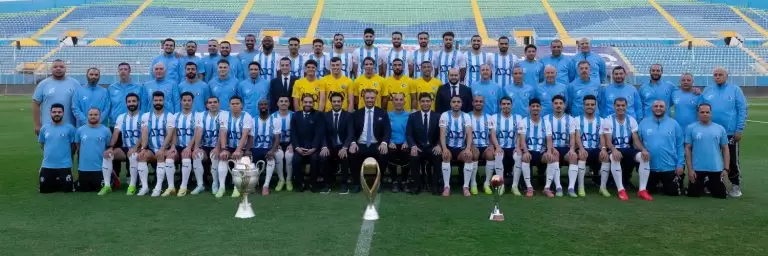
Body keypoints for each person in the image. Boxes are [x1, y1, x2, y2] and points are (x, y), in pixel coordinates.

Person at [698, 67, 746, 197]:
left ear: (726, 76)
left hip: (729, 132)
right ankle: (710, 184)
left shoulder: (735, 90)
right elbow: (700, 107)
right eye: (715, 75)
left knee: (731, 160)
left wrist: (739, 129)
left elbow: (742, 109)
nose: (717, 77)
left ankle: (735, 185)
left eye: (720, 74)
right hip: (710, 131)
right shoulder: (708, 90)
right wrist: (697, 94)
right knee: (711, 157)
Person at [601, 98, 652, 201]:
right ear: (614, 106)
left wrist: (643, 149)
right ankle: (621, 189)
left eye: (623, 105)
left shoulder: (631, 120)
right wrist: (614, 150)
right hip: (614, 149)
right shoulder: (608, 120)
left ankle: (642, 190)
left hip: (628, 149)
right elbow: (608, 141)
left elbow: (636, 140)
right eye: (618, 105)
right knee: (615, 157)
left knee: (644, 157)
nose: (621, 107)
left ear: (626, 106)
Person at [348, 89, 391, 193]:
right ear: (363, 99)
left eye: (372, 98)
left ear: (375, 98)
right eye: (367, 98)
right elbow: (351, 130)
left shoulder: (383, 113)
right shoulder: (356, 114)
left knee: (384, 153)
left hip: (376, 144)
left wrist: (384, 143)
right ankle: (356, 184)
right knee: (352, 153)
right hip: (360, 144)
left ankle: (378, 182)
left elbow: (387, 130)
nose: (370, 100)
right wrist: (353, 142)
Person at [639, 100, 684, 196]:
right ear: (652, 108)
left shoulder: (674, 124)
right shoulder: (643, 123)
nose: (658, 108)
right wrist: (643, 150)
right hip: (650, 167)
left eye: (661, 106)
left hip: (669, 167)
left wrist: (680, 164)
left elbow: (680, 145)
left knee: (673, 193)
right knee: (649, 191)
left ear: (666, 108)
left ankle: (670, 181)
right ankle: (657, 183)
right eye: (656, 106)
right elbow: (637, 142)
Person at [685, 103, 730, 199]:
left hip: (715, 168)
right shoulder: (690, 128)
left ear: (711, 113)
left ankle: (708, 182)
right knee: (693, 195)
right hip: (697, 168)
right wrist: (690, 169)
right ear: (698, 113)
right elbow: (688, 148)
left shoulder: (720, 128)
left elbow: (725, 148)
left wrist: (726, 169)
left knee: (721, 196)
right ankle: (702, 183)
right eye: (702, 112)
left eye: (707, 112)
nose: (705, 114)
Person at [139, 91, 176, 197]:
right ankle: (145, 187)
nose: (158, 102)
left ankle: (158, 187)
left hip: (165, 148)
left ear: (164, 101)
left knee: (161, 156)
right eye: (156, 100)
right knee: (141, 157)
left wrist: (163, 148)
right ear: (152, 101)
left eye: (160, 100)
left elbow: (169, 134)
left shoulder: (170, 116)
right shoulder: (145, 116)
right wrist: (143, 148)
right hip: (151, 148)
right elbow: (144, 133)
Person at [571, 95, 608, 197]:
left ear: (596, 106)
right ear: (583, 106)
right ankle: (581, 187)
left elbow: (602, 137)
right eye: (587, 104)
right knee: (582, 155)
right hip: (583, 148)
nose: (590, 106)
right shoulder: (577, 120)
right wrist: (581, 148)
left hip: (596, 148)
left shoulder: (602, 120)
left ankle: (603, 187)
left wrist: (604, 149)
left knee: (605, 157)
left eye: (592, 104)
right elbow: (577, 137)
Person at [106, 93, 143, 195]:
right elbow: (115, 134)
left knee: (134, 155)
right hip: (126, 148)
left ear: (138, 102)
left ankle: (132, 185)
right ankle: (108, 184)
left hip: (140, 148)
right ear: (126, 103)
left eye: (134, 101)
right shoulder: (121, 117)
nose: (131, 103)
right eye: (129, 101)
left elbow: (144, 135)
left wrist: (136, 147)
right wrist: (110, 147)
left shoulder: (144, 116)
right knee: (108, 155)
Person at [216, 96, 253, 198]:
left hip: (243, 147)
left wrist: (238, 150)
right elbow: (223, 132)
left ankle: (237, 188)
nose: (235, 106)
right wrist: (223, 149)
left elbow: (245, 135)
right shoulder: (224, 115)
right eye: (232, 104)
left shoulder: (247, 116)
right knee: (222, 159)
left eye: (237, 104)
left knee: (237, 158)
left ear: (241, 105)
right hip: (229, 146)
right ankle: (221, 187)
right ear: (229, 105)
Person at [406, 93, 442, 195]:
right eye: (423, 101)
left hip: (432, 147)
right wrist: (413, 146)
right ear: (419, 103)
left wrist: (439, 145)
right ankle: (417, 185)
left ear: (431, 102)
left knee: (437, 157)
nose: (425, 103)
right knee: (414, 158)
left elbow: (442, 134)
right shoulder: (413, 116)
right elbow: (409, 134)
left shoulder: (438, 116)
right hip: (418, 147)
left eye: (427, 101)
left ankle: (434, 185)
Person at [516, 98, 552, 197]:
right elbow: (522, 140)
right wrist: (526, 152)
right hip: (529, 151)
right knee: (525, 158)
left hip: (541, 152)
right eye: (533, 106)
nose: (535, 108)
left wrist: (549, 151)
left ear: (541, 108)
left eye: (537, 106)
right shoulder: (523, 121)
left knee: (551, 158)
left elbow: (549, 139)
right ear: (529, 108)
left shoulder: (546, 122)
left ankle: (547, 188)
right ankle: (529, 187)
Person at [438, 95, 473, 197]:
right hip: (449, 146)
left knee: (469, 156)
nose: (456, 103)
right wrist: (444, 148)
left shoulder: (466, 116)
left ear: (461, 104)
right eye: (454, 102)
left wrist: (467, 148)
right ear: (450, 104)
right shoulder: (444, 115)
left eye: (458, 102)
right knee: (445, 156)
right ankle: (446, 187)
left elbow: (469, 133)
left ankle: (466, 187)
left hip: (461, 148)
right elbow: (442, 134)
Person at [168, 92, 201, 197]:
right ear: (180, 101)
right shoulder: (175, 116)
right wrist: (173, 146)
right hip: (179, 146)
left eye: (189, 100)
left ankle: (183, 187)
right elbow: (173, 133)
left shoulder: (197, 115)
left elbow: (197, 133)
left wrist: (189, 147)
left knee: (186, 155)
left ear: (192, 102)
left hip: (191, 146)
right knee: (170, 156)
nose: (186, 103)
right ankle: (171, 187)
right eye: (184, 100)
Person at [542, 95, 576, 197]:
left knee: (573, 156)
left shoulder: (570, 119)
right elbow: (546, 138)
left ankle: (571, 188)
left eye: (560, 103)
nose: (558, 105)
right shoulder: (546, 119)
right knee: (554, 154)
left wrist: (572, 149)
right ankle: (558, 187)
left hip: (565, 148)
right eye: (556, 103)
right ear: (552, 105)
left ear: (564, 105)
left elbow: (572, 137)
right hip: (551, 147)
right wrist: (551, 148)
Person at [38, 103, 76, 193]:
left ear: (63, 113)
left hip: (65, 165)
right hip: (48, 165)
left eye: (59, 112)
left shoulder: (70, 128)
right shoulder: (44, 128)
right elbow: (42, 145)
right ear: (50, 113)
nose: (57, 114)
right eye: (54, 112)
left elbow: (73, 146)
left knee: (68, 190)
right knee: (44, 191)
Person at [33, 59, 79, 133]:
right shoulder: (43, 84)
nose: (58, 68)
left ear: (66, 69)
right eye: (55, 67)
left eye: (61, 67)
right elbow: (35, 103)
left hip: (70, 127)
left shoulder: (75, 83)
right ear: (51, 69)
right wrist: (37, 125)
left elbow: (80, 104)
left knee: (70, 145)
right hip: (48, 126)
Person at [193, 96, 227, 195]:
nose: (212, 104)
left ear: (219, 104)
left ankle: (215, 184)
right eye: (210, 102)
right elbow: (198, 131)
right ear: (207, 105)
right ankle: (200, 185)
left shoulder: (224, 115)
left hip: (218, 146)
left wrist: (217, 148)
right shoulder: (201, 115)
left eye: (215, 102)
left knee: (214, 156)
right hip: (204, 146)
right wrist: (196, 148)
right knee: (196, 156)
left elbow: (222, 132)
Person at [290, 95, 325, 192]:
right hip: (299, 148)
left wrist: (313, 148)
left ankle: (313, 184)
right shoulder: (296, 115)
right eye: (305, 102)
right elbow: (293, 133)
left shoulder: (318, 115)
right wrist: (296, 147)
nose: (308, 104)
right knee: (296, 160)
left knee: (315, 159)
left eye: (310, 102)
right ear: (302, 103)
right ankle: (300, 183)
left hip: (313, 148)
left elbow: (319, 133)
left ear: (313, 104)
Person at [468, 95, 500, 196]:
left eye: (481, 101)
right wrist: (471, 146)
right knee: (474, 154)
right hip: (472, 145)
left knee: (491, 155)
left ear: (483, 103)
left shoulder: (489, 117)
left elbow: (492, 134)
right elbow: (465, 134)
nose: (478, 103)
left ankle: (486, 183)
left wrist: (491, 145)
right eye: (476, 101)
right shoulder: (467, 116)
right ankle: (473, 184)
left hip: (486, 145)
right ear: (473, 103)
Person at [321, 92, 352, 193]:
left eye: (338, 101)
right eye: (334, 101)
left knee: (344, 156)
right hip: (330, 146)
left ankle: (344, 184)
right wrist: (324, 146)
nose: (336, 103)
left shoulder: (348, 115)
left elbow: (350, 134)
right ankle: (327, 184)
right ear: (331, 102)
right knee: (324, 156)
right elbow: (323, 133)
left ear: (342, 102)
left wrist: (345, 147)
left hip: (342, 145)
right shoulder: (325, 116)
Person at [76, 108, 112, 194]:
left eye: (96, 115)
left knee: (99, 189)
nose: (93, 117)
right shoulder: (80, 130)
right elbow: (78, 147)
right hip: (83, 169)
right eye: (91, 115)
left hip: (99, 169)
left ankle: (111, 178)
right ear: (87, 116)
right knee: (83, 190)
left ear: (100, 116)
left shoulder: (106, 130)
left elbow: (108, 147)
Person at [493, 97, 522, 195]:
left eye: (508, 104)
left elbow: (519, 134)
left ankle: (515, 186)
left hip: (513, 147)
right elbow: (492, 134)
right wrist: (497, 147)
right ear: (500, 105)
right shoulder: (494, 117)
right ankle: (501, 186)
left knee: (518, 157)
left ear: (511, 105)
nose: (506, 106)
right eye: (504, 104)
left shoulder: (518, 117)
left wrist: (517, 147)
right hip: (500, 147)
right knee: (498, 156)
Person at [250, 99, 279, 196]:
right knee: (250, 161)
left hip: (268, 148)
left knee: (271, 159)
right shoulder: (253, 120)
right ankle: (252, 184)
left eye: (265, 104)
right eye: (261, 104)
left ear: (268, 106)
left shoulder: (275, 120)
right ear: (258, 107)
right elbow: (251, 137)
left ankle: (265, 185)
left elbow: (277, 138)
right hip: (256, 148)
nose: (263, 106)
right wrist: (248, 150)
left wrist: (272, 150)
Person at [386, 93, 411, 193]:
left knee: (406, 152)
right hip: (392, 143)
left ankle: (404, 181)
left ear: (404, 102)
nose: (399, 102)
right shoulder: (387, 115)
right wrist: (389, 141)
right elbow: (385, 131)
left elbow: (411, 131)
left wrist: (407, 141)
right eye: (396, 100)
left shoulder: (409, 116)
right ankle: (394, 181)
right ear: (393, 102)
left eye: (401, 100)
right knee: (390, 152)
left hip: (405, 143)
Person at [271, 96, 294, 191]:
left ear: (289, 103)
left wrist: (293, 144)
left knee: (289, 156)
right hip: (278, 143)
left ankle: (289, 180)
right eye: (281, 101)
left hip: (291, 143)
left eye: (286, 101)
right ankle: (281, 180)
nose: (283, 103)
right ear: (277, 103)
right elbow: (270, 133)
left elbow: (299, 132)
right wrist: (275, 144)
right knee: (278, 154)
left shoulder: (294, 115)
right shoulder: (272, 116)